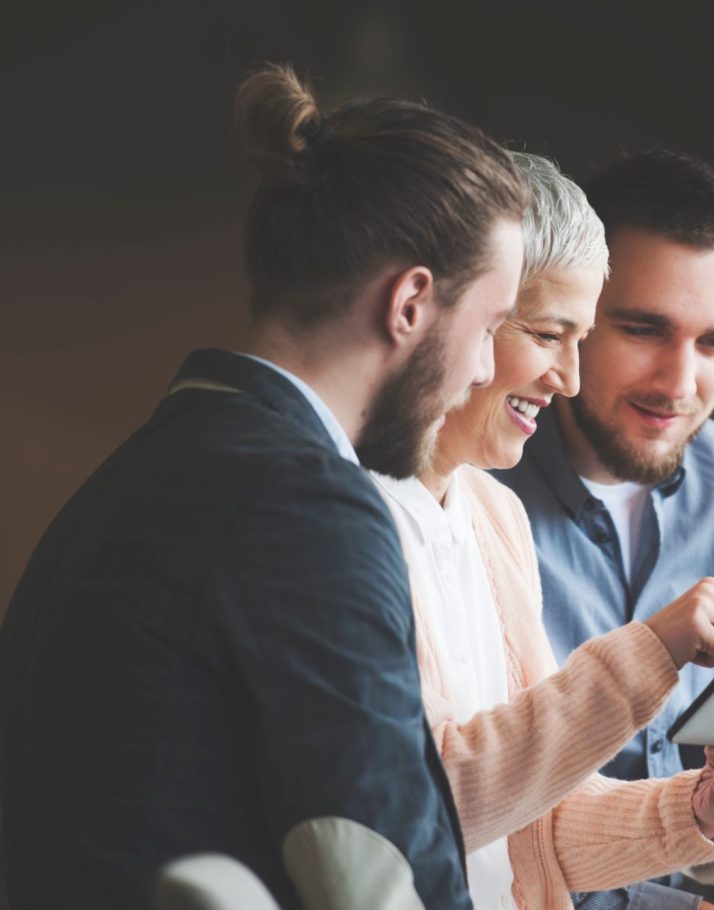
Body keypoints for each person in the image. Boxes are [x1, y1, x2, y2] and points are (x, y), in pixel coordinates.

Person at [0, 65, 525, 909]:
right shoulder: (307, 504)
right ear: (411, 303)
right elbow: (380, 868)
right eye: (492, 325)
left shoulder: (131, 479)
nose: (487, 369)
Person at [371, 152, 714, 909]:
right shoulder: (357, 521)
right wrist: (655, 649)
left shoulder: (489, 512)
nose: (569, 377)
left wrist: (709, 808)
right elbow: (436, 807)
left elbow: (537, 828)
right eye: (550, 333)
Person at [496, 150, 714, 909]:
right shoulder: (479, 493)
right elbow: (492, 829)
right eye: (643, 329)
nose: (680, 383)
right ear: (576, 316)